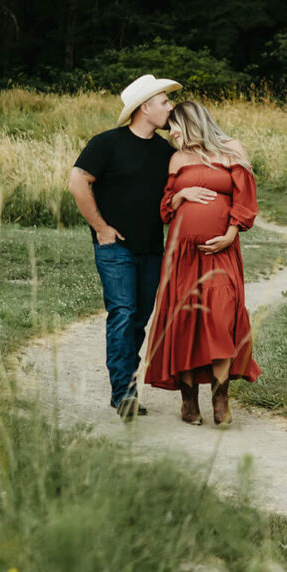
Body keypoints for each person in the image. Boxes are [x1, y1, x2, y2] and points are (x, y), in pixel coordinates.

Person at [68, 74, 180, 419]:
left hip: (151, 249)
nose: (170, 107)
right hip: (115, 248)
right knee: (123, 313)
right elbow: (77, 182)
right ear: (144, 108)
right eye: (164, 102)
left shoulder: (165, 151)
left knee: (139, 319)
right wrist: (101, 229)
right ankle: (124, 394)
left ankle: (126, 385)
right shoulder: (107, 144)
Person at [141, 100, 259, 426]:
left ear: (190, 122)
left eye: (174, 127)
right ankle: (188, 403)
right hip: (182, 255)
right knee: (185, 323)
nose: (171, 134)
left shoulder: (231, 149)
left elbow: (245, 197)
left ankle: (221, 399)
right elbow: (166, 209)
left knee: (221, 319)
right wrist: (182, 195)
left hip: (220, 252)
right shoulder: (177, 159)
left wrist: (231, 232)